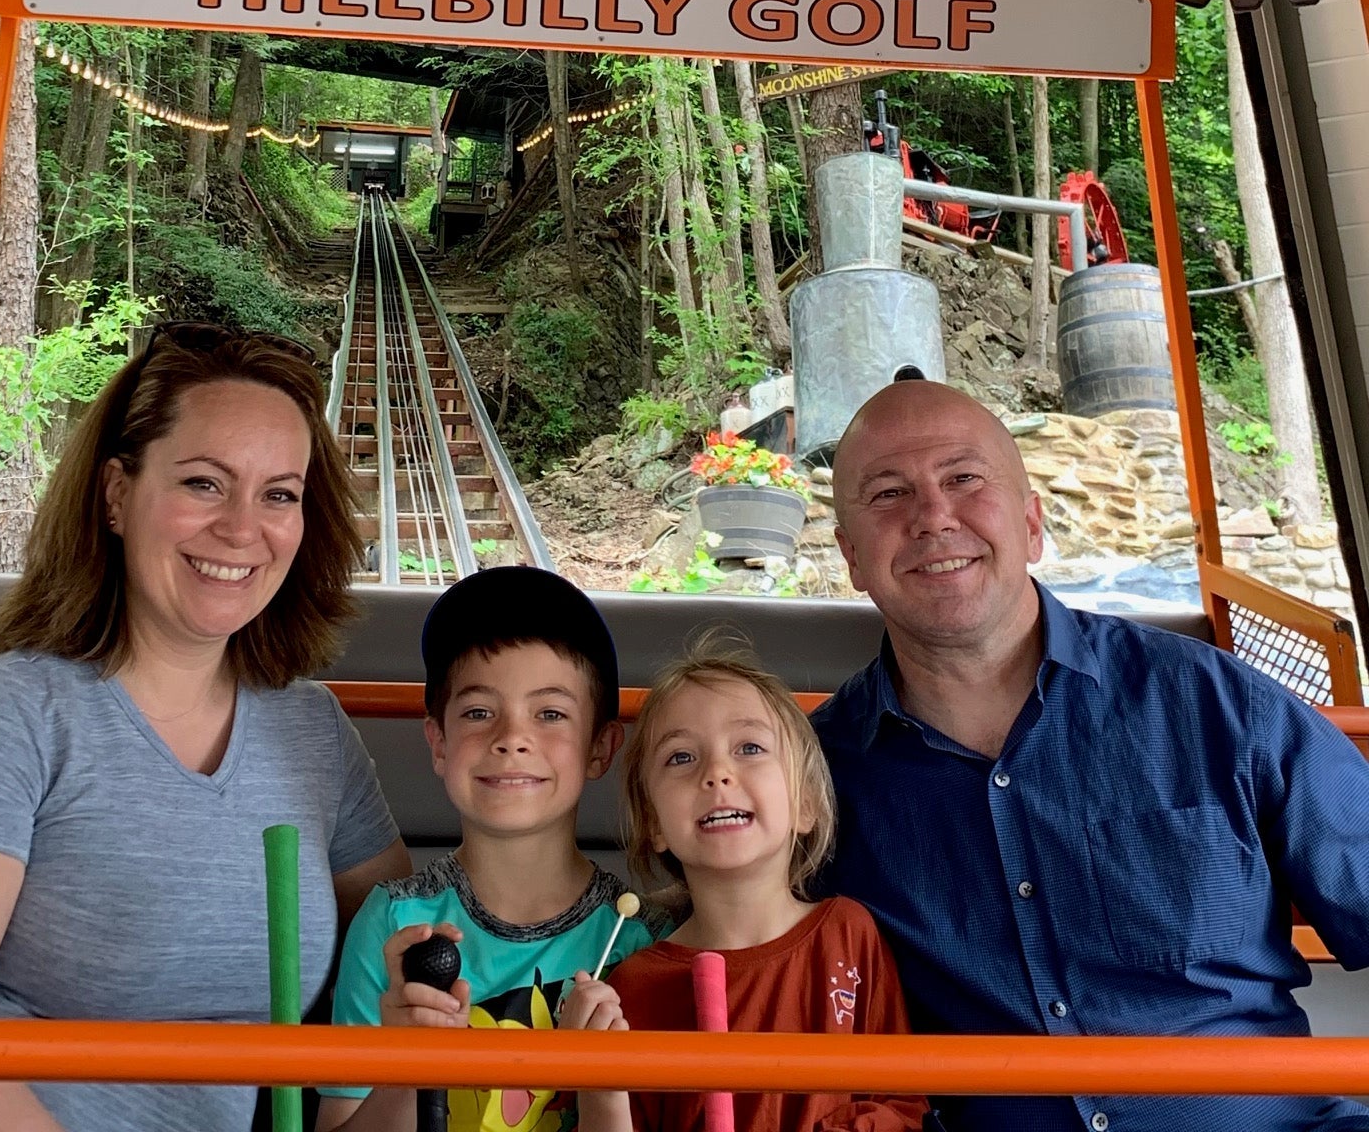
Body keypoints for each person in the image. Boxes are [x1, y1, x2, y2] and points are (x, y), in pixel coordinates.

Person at [0, 323, 411, 1132]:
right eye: (204, 483)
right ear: (117, 494)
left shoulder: (311, 732)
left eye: (279, 495)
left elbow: (406, 943)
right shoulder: (7, 715)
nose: (242, 528)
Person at [814, 377, 1369, 1132]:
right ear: (851, 555)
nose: (933, 516)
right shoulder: (812, 780)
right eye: (888, 493)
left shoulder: (1216, 704)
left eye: (964, 479)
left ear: (1032, 524)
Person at [318, 565, 652, 1132]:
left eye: (550, 714)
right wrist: (407, 1067)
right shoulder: (395, 927)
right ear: (439, 743)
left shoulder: (639, 941)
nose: (511, 738)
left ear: (600, 747)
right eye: (478, 713)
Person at [564, 634, 926, 1132]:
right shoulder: (632, 990)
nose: (717, 773)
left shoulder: (848, 934)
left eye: (750, 748)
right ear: (654, 824)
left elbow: (902, 1105)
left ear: (805, 804)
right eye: (681, 757)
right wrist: (598, 1083)